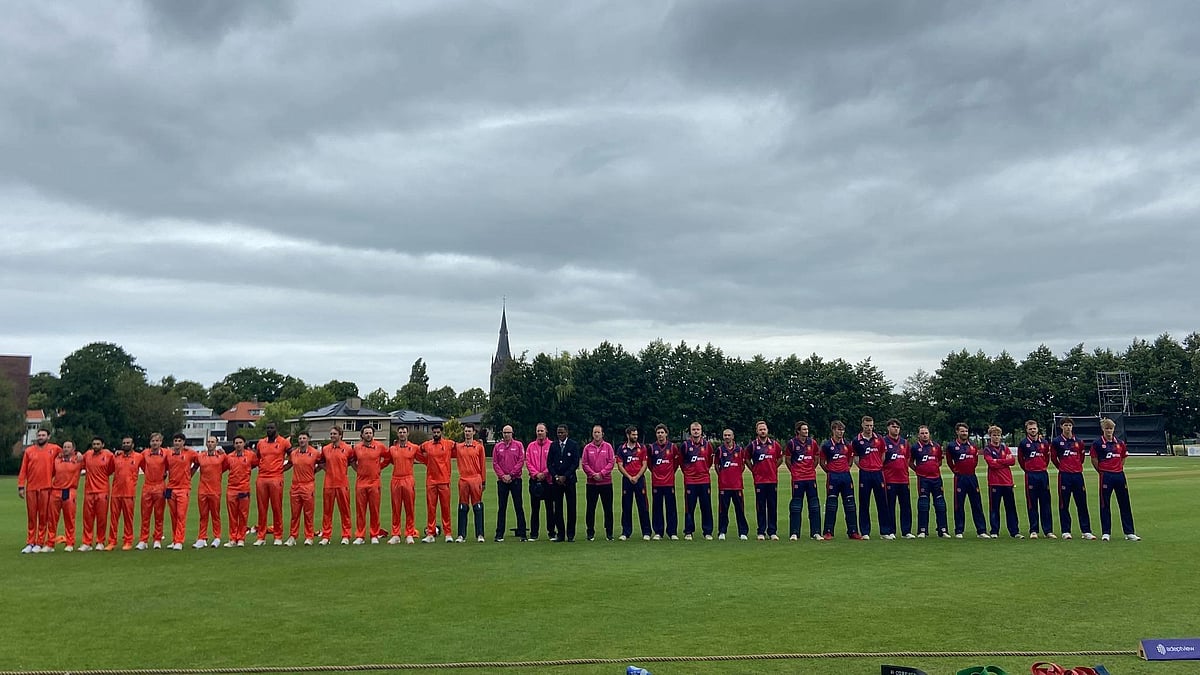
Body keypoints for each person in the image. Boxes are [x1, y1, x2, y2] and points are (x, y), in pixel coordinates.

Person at [1092, 417, 1140, 541]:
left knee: (1124, 504)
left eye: (1111, 428)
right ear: (1103, 429)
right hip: (1106, 475)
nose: (1109, 431)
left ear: (1114, 429)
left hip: (1119, 475)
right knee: (1105, 504)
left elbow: (1123, 457)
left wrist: (1118, 467)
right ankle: (1106, 532)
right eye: (1107, 428)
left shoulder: (1120, 443)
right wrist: (1102, 471)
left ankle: (1129, 532)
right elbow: (1094, 459)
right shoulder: (1097, 443)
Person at [1051, 417, 1094, 540]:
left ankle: (1086, 531)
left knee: (1082, 503)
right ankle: (1066, 530)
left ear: (1072, 427)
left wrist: (1076, 468)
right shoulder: (1057, 442)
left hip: (1077, 475)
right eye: (1065, 425)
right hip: (1064, 475)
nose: (1068, 427)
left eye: (1070, 425)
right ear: (1061, 427)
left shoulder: (1079, 442)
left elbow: (1081, 458)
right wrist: (1062, 468)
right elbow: (1054, 458)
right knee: (1064, 503)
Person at [18, 429, 58, 554]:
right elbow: (23, 469)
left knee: (43, 516)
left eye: (43, 435)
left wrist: (77, 454)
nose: (41, 437)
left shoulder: (55, 449)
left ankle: (40, 542)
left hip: (46, 487)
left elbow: (68, 453)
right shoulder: (29, 451)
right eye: (39, 435)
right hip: (31, 488)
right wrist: (21, 486)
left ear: (48, 436)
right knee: (31, 516)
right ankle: (30, 542)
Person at [946, 423, 989, 539]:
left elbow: (975, 461)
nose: (964, 433)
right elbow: (949, 462)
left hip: (972, 477)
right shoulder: (951, 446)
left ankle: (981, 531)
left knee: (977, 504)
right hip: (960, 478)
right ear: (957, 432)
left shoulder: (973, 446)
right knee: (959, 505)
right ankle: (959, 530)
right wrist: (956, 471)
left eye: (966, 431)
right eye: (962, 431)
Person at [820, 421, 860, 540]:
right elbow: (822, 462)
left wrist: (844, 469)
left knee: (850, 505)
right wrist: (830, 471)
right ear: (833, 430)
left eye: (842, 430)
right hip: (833, 477)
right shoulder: (827, 445)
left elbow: (850, 460)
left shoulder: (848, 445)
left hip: (846, 477)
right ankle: (828, 532)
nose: (840, 432)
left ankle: (853, 531)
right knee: (831, 505)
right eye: (838, 429)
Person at [252, 423, 291, 545]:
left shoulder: (284, 442)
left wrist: (283, 468)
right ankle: (261, 537)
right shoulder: (261, 443)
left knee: (276, 507)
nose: (269, 430)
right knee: (262, 508)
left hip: (276, 478)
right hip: (262, 478)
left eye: (272, 428)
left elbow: (292, 457)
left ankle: (278, 536)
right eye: (267, 428)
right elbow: (257, 457)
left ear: (276, 429)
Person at [418, 423, 456, 543]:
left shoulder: (449, 444)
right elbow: (417, 451)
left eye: (438, 432)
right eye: (434, 432)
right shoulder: (426, 445)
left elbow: (460, 449)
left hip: (444, 481)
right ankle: (430, 533)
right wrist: (426, 462)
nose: (436, 434)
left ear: (441, 432)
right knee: (431, 508)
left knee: (445, 508)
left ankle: (448, 533)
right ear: (431, 433)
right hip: (431, 481)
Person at [382, 424, 420, 544]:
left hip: (408, 479)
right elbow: (387, 461)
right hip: (396, 479)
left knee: (409, 508)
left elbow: (424, 458)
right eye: (400, 432)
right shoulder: (392, 449)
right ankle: (396, 534)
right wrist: (374, 469)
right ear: (398, 434)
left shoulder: (414, 448)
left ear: (407, 433)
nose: (402, 434)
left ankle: (409, 533)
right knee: (396, 508)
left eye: (404, 432)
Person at [785, 421, 822, 542]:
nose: (806, 431)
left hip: (810, 478)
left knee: (814, 506)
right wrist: (796, 471)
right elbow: (788, 460)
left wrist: (810, 469)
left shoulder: (813, 443)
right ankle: (794, 533)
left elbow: (816, 458)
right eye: (804, 429)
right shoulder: (792, 443)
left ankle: (816, 532)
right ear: (798, 431)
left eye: (807, 429)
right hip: (798, 479)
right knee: (796, 506)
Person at [1017, 419, 1054, 539]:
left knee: (1046, 503)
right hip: (1030, 475)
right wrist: (1028, 469)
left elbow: (1047, 458)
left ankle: (1048, 530)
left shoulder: (1044, 442)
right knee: (1032, 503)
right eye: (1030, 429)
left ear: (1038, 429)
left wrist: (1042, 467)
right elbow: (1021, 460)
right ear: (1027, 430)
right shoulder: (1023, 443)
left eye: (1034, 428)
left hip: (1043, 474)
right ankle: (1034, 530)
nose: (1033, 430)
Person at [746, 420, 783, 540]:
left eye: (764, 429)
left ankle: (772, 532)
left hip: (772, 480)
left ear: (767, 430)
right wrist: (754, 471)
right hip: (759, 480)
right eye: (760, 429)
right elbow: (746, 459)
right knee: (760, 506)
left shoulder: (774, 444)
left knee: (772, 506)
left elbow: (780, 459)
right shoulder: (752, 445)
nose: (762, 431)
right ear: (757, 431)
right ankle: (761, 531)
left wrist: (773, 468)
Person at [851, 416, 886, 540]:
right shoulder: (856, 441)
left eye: (871, 425)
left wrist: (877, 466)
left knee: (882, 502)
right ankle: (865, 531)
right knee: (864, 503)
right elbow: (855, 458)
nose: (869, 428)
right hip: (865, 474)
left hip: (878, 473)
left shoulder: (879, 439)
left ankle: (884, 531)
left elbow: (882, 455)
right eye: (867, 426)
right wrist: (864, 467)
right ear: (862, 425)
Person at [910, 425, 949, 538]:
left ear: (929, 434)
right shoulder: (915, 448)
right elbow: (910, 462)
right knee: (923, 505)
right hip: (923, 479)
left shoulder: (936, 446)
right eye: (922, 433)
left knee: (940, 504)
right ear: (919, 435)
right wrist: (918, 470)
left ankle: (943, 530)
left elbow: (939, 462)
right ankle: (922, 530)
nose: (924, 435)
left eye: (926, 433)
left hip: (936, 479)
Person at [983, 425, 1021, 539]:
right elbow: (991, 464)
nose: (996, 437)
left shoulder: (1005, 447)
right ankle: (994, 530)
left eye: (998, 435)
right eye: (994, 435)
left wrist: (999, 461)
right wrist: (1004, 461)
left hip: (1007, 482)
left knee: (1011, 508)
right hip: (994, 482)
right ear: (990, 436)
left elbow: (1012, 461)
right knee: (994, 508)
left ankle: (1014, 531)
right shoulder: (987, 449)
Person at [351, 425, 386, 544]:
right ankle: (360, 535)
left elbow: (388, 457)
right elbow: (351, 461)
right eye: (366, 433)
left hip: (375, 482)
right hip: (361, 483)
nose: (368, 435)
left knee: (374, 510)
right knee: (361, 510)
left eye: (370, 433)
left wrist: (379, 468)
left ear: (373, 434)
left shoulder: (380, 446)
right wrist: (358, 470)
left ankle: (374, 535)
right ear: (362, 435)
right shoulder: (356, 448)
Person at [615, 426, 652, 541]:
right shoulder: (622, 448)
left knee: (643, 506)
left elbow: (645, 464)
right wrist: (629, 477)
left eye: (636, 435)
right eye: (633, 435)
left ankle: (646, 532)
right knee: (626, 506)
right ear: (628, 435)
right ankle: (626, 532)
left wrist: (636, 476)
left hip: (639, 479)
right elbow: (620, 465)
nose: (635, 437)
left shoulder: (642, 448)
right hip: (627, 480)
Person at [492, 424, 527, 542]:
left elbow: (521, 461)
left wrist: (511, 475)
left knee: (518, 507)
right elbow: (495, 463)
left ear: (512, 433)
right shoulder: (498, 446)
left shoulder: (518, 445)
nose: (506, 435)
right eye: (504, 433)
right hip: (502, 481)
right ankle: (499, 534)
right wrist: (503, 476)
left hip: (515, 480)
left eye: (508, 433)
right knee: (502, 508)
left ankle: (522, 534)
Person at [319, 426, 353, 545]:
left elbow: (351, 462)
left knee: (345, 511)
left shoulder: (348, 449)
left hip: (342, 483)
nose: (332, 436)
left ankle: (346, 535)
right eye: (331, 434)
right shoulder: (325, 449)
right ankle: (326, 536)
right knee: (327, 512)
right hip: (328, 484)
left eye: (334, 434)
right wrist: (328, 470)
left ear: (340, 435)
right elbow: (321, 462)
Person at [680, 421, 714, 541]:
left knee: (706, 506)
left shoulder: (707, 445)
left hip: (704, 480)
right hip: (690, 481)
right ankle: (688, 531)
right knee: (690, 507)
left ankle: (707, 531)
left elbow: (709, 461)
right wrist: (689, 473)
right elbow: (681, 462)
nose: (696, 431)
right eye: (693, 430)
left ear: (701, 431)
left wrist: (703, 471)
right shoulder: (685, 445)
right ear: (690, 431)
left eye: (698, 429)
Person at [165, 433, 199, 550]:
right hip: (170, 488)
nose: (177, 443)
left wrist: (191, 473)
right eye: (175, 440)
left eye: (179, 440)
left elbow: (200, 461)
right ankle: (175, 539)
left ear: (183, 442)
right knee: (173, 515)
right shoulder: (169, 454)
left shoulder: (190, 453)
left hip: (183, 488)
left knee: (181, 515)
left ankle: (179, 540)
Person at [107, 437, 143, 551]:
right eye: (124, 443)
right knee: (113, 519)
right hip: (116, 492)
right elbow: (109, 470)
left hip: (129, 492)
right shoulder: (116, 457)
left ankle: (128, 541)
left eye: (128, 443)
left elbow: (148, 468)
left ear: (133, 445)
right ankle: (112, 541)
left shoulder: (139, 457)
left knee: (128, 519)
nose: (126, 445)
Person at [47, 441, 83, 552]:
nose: (66, 449)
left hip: (69, 491)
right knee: (52, 519)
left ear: (73, 449)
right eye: (64, 447)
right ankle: (50, 544)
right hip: (56, 491)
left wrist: (79, 453)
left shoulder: (78, 460)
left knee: (69, 519)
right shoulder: (57, 460)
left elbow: (91, 457)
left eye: (68, 447)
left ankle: (70, 542)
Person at [79, 437, 114, 551]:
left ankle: (100, 541)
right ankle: (87, 542)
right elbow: (79, 462)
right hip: (89, 491)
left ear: (103, 445)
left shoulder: (108, 455)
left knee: (101, 518)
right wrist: (77, 453)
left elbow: (111, 469)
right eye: (94, 444)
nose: (95, 446)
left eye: (98, 444)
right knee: (87, 518)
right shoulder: (88, 455)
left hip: (102, 491)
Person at [191, 436, 226, 549]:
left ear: (216, 444)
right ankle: (202, 537)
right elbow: (194, 467)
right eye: (209, 442)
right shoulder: (200, 456)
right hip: (202, 490)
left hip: (215, 490)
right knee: (203, 515)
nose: (210, 444)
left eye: (213, 442)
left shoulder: (221, 457)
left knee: (215, 515)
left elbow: (226, 467)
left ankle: (217, 537)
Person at [286, 431, 321, 546]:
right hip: (295, 485)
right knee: (295, 513)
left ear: (308, 439)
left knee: (308, 513)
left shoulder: (315, 453)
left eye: (304, 438)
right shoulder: (294, 453)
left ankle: (309, 536)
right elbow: (289, 464)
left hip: (308, 485)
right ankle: (292, 536)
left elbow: (321, 464)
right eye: (300, 438)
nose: (301, 440)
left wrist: (313, 472)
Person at [547, 424, 581, 542]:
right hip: (556, 482)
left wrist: (565, 476)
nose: (560, 435)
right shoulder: (553, 445)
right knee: (558, 508)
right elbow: (549, 463)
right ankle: (560, 534)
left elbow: (575, 463)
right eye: (558, 433)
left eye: (562, 432)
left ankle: (570, 535)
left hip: (569, 481)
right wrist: (556, 476)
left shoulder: (573, 445)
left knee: (571, 508)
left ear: (567, 433)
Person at [222, 435, 257, 547]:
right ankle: (232, 538)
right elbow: (223, 468)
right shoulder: (229, 457)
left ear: (244, 443)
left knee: (243, 515)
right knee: (232, 515)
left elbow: (256, 464)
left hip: (244, 489)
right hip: (231, 489)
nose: (238, 444)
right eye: (236, 443)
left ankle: (241, 538)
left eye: (240, 442)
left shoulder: (250, 455)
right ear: (233, 445)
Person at [581, 425, 616, 541]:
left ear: (602, 434)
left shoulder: (608, 447)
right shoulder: (587, 448)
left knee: (608, 509)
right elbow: (584, 463)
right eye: (594, 432)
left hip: (606, 482)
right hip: (591, 483)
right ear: (592, 434)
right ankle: (590, 532)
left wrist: (601, 474)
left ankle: (609, 533)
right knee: (590, 508)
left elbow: (611, 462)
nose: (596, 434)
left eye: (598, 432)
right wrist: (593, 474)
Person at [454, 423, 487, 543]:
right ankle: (461, 535)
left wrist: (483, 481)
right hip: (463, 479)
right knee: (463, 507)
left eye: (469, 431)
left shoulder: (479, 447)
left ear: (473, 432)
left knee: (477, 506)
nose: (467, 433)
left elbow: (483, 465)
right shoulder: (459, 447)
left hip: (475, 479)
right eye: (465, 431)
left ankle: (480, 534)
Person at [881, 419, 913, 539]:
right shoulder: (883, 441)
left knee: (905, 506)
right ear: (888, 428)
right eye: (893, 427)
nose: (896, 429)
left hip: (904, 479)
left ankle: (906, 531)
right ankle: (890, 531)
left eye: (898, 427)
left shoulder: (904, 442)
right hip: (889, 479)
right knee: (890, 506)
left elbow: (908, 458)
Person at [715, 428, 749, 541]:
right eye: (725, 435)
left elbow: (742, 466)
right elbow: (716, 466)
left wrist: (736, 475)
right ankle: (722, 532)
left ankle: (743, 532)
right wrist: (723, 477)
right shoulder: (720, 450)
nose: (727, 437)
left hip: (737, 485)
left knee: (740, 509)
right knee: (723, 510)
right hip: (724, 485)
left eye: (729, 435)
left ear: (733, 436)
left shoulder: (739, 449)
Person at [137, 433, 169, 550]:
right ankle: (143, 540)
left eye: (157, 441)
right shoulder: (144, 454)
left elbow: (171, 465)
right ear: (150, 442)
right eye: (153, 441)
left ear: (161, 442)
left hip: (160, 486)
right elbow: (140, 464)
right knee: (145, 515)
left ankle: (157, 539)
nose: (155, 443)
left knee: (159, 515)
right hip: (147, 486)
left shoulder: (166, 453)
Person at [647, 424, 679, 540]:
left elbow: (676, 464)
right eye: (658, 433)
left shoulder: (672, 447)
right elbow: (650, 465)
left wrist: (670, 473)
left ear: (666, 433)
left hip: (669, 482)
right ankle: (658, 532)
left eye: (662, 432)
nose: (660, 435)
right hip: (657, 482)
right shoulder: (651, 447)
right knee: (657, 508)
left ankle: (672, 532)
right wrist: (656, 473)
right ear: (656, 434)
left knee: (671, 508)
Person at [525, 423, 554, 541]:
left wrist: (545, 473)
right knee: (535, 508)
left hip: (548, 481)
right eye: (538, 431)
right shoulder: (531, 446)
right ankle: (534, 533)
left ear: (546, 431)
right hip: (534, 480)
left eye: (542, 430)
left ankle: (552, 532)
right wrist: (536, 474)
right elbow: (528, 462)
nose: (540, 433)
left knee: (550, 508)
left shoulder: (552, 445)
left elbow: (553, 462)